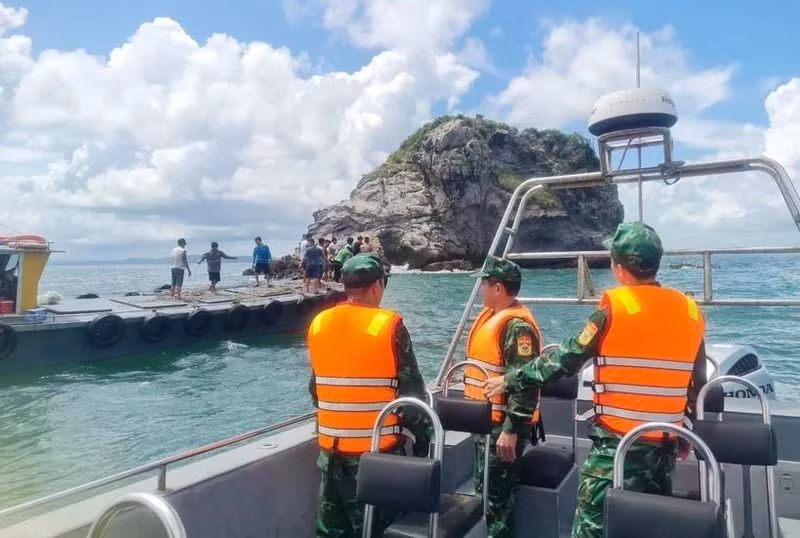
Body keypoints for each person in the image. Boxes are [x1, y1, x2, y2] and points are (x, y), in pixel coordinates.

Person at [483, 222, 707, 538]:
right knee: (647, 528)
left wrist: (511, 379)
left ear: (618, 268)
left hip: (617, 448)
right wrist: (683, 432)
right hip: (664, 449)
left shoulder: (614, 308)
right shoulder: (690, 310)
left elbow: (566, 359)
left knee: (591, 529)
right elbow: (697, 383)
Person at [307, 253, 431, 537]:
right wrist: (424, 436)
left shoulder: (319, 323)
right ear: (377, 286)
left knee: (332, 531)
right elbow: (411, 394)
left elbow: (316, 390)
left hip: (330, 454)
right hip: (376, 457)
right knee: (375, 529)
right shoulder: (389, 326)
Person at [464, 255, 542, 538]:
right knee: (485, 495)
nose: (480, 290)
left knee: (497, 505)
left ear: (497, 288)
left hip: (502, 429)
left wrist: (511, 430)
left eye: (484, 284)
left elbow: (526, 382)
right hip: (486, 426)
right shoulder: (492, 316)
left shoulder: (516, 327)